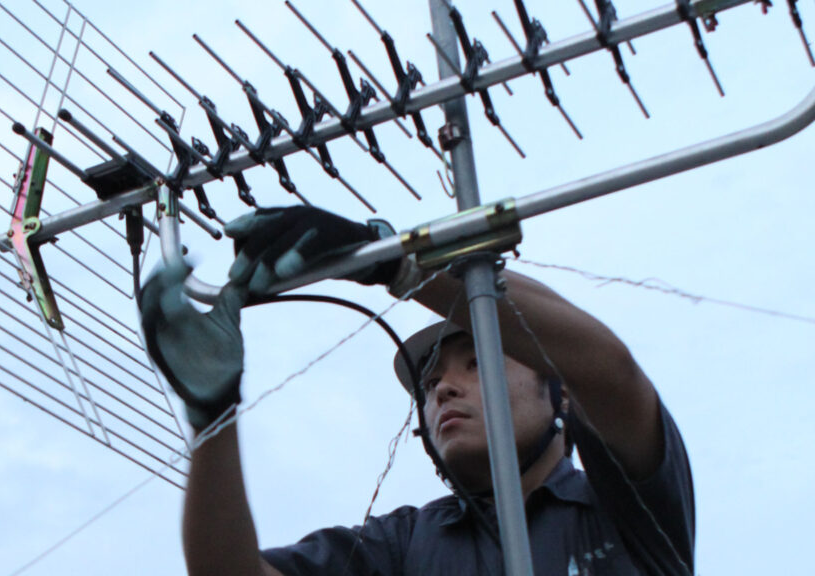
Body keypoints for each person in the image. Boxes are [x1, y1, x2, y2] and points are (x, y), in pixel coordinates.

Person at [139, 206, 694, 576]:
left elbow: (610, 372)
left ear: (562, 396)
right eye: (429, 384)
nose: (444, 389)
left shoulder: (624, 505)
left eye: (478, 363)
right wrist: (213, 415)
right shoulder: (407, 544)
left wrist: (400, 262)